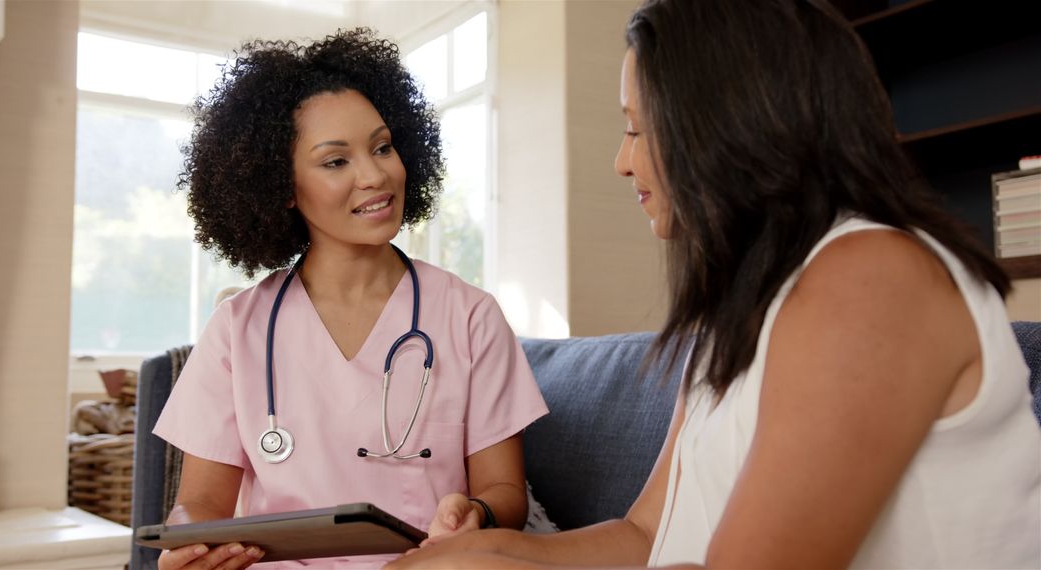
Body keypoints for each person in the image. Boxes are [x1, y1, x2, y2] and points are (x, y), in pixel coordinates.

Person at [386, 0, 1041, 568]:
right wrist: (488, 553)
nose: (621, 162)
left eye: (636, 128)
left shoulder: (873, 277)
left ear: (727, 124)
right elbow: (646, 536)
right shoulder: (740, 309)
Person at [152, 29, 548, 570]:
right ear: (282, 188)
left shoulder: (470, 316)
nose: (375, 175)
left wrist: (476, 512)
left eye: (382, 147)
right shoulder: (237, 328)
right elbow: (200, 503)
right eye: (336, 161)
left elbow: (505, 493)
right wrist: (190, 543)